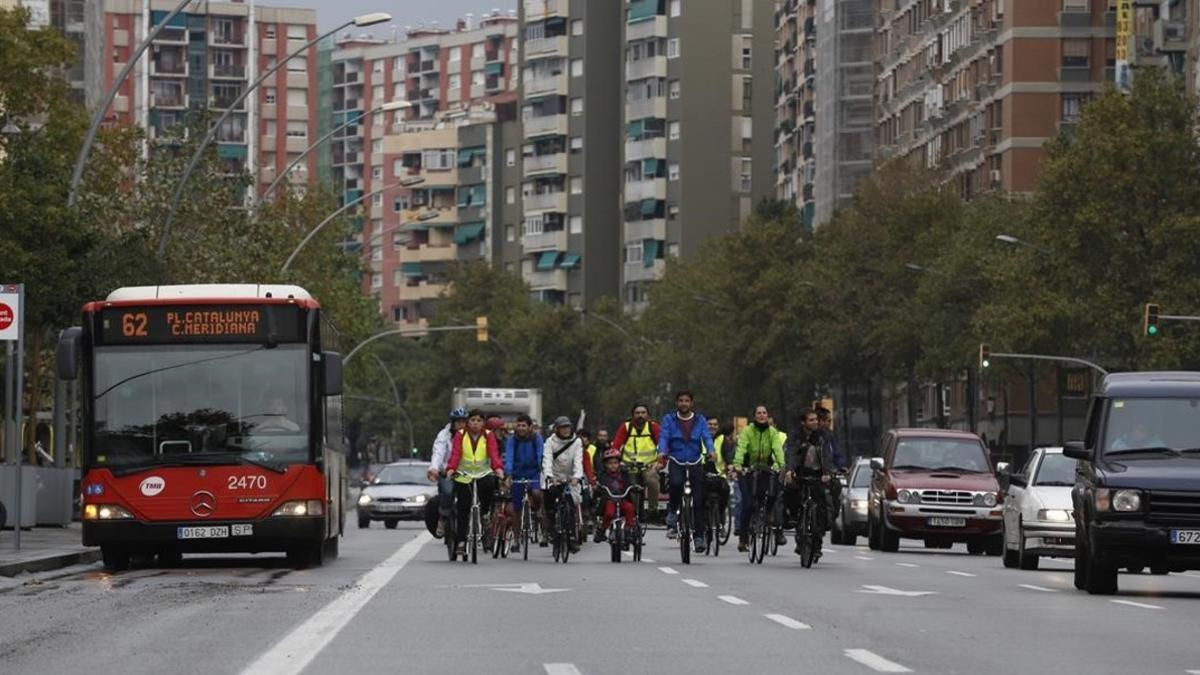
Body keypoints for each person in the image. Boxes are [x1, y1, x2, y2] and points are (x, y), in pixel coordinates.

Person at [658, 390, 716, 552]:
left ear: (692, 403)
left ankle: (698, 537)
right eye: (681, 400)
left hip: (695, 460)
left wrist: (711, 451)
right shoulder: (669, 419)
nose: (684, 403)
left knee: (698, 500)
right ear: (677, 403)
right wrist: (661, 452)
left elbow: (706, 437)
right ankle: (673, 510)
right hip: (676, 459)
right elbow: (663, 437)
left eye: (687, 401)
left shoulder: (700, 419)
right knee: (675, 483)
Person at [445, 410, 505, 556]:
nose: (475, 423)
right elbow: (456, 453)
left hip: (483, 473)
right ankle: (461, 541)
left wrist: (498, 469)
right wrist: (451, 469)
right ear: (468, 422)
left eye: (479, 420)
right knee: (463, 508)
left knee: (489, 485)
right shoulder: (460, 435)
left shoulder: (488, 435)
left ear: (483, 423)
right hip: (464, 475)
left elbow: (493, 453)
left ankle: (484, 514)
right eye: (473, 420)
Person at [731, 405, 786, 552]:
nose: (762, 415)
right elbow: (741, 448)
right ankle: (743, 539)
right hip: (747, 470)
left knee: (774, 492)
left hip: (765, 469)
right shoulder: (747, 431)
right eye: (759, 413)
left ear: (767, 416)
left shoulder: (772, 432)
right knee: (747, 504)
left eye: (764, 413)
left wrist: (782, 466)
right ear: (754, 416)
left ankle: (768, 514)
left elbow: (777, 450)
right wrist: (737, 464)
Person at [784, 409, 833, 555]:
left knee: (820, 506)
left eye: (816, 419)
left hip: (817, 474)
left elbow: (826, 454)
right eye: (811, 420)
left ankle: (817, 544)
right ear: (803, 422)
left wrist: (827, 473)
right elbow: (791, 452)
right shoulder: (795, 435)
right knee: (789, 492)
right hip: (799, 472)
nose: (815, 422)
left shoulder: (823, 435)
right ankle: (793, 517)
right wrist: (790, 470)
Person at [612, 403, 662, 521]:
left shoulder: (653, 427)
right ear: (633, 415)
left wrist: (660, 463)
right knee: (631, 488)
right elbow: (616, 446)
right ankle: (631, 514)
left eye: (643, 413)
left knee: (652, 479)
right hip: (629, 465)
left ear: (648, 415)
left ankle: (652, 509)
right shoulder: (626, 427)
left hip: (649, 465)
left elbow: (663, 447)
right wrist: (617, 462)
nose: (640, 415)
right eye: (637, 413)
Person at [542, 416, 584, 553]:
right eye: (562, 427)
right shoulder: (550, 442)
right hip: (554, 477)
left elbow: (579, 461)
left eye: (568, 427)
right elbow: (547, 460)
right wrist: (549, 476)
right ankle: (551, 527)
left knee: (570, 505)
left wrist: (577, 477)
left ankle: (571, 537)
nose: (566, 430)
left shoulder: (577, 442)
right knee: (549, 498)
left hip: (571, 478)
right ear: (557, 429)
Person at [504, 414, 543, 554]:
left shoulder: (536, 439)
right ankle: (516, 540)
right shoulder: (512, 440)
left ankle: (537, 510)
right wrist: (508, 473)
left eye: (523, 426)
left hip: (533, 473)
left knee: (537, 493)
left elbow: (540, 454)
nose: (520, 428)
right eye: (518, 425)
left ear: (530, 427)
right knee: (516, 508)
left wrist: (541, 467)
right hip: (517, 474)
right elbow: (509, 457)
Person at [427, 407, 468, 538]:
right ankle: (443, 519)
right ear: (453, 423)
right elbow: (438, 452)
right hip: (447, 472)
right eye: (458, 422)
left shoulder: (472, 434)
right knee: (448, 492)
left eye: (463, 422)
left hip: (467, 473)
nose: (461, 425)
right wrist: (434, 468)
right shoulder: (444, 435)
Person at [594, 448, 637, 543]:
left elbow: (631, 483)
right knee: (609, 513)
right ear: (605, 464)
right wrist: (598, 487)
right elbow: (599, 485)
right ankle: (602, 530)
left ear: (619, 464)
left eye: (615, 463)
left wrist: (634, 486)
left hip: (623, 499)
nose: (613, 466)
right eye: (610, 463)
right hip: (610, 500)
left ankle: (628, 530)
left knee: (630, 508)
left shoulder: (624, 474)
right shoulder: (603, 475)